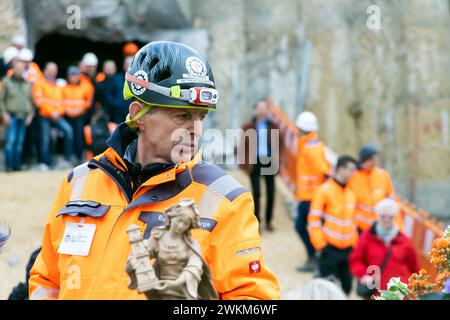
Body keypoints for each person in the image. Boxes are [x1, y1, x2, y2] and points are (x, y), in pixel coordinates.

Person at [29, 41, 280, 300]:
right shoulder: (78, 183)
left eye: (201, 117)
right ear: (139, 115)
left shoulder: (226, 201)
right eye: (182, 116)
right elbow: (47, 280)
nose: (196, 129)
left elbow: (255, 298)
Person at [126, 199, 217, 300]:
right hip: (159, 288)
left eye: (186, 224)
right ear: (172, 217)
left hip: (183, 290)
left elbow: (194, 267)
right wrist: (134, 260)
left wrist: (176, 283)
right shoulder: (158, 237)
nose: (181, 226)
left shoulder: (191, 244)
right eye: (179, 221)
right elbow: (143, 251)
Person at [307, 155, 358, 295]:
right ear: (340, 169)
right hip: (329, 249)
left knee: (347, 287)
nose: (353, 173)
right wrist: (321, 245)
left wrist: (354, 243)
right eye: (351, 170)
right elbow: (314, 219)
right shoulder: (324, 191)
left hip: (348, 249)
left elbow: (352, 220)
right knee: (327, 289)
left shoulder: (350, 192)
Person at [349, 198, 419, 295]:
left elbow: (414, 268)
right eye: (383, 216)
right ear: (377, 216)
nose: (387, 220)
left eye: (390, 217)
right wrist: (364, 276)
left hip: (399, 294)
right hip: (376, 293)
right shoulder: (366, 238)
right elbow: (355, 260)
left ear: (395, 217)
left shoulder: (404, 241)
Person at [294, 111, 331, 272]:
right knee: (307, 227)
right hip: (308, 196)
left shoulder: (312, 149)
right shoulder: (308, 144)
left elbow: (325, 171)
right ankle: (317, 257)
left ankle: (316, 258)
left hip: (312, 197)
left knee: (303, 226)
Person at [239, 100, 282, 231]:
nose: (262, 110)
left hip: (269, 161)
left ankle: (269, 221)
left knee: (271, 192)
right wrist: (243, 164)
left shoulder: (273, 126)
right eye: (260, 108)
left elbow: (279, 146)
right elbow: (242, 146)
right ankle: (257, 222)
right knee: (256, 192)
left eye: (265, 108)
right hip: (254, 162)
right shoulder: (247, 126)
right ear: (255, 109)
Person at [32, 62, 74, 169]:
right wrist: (51, 112)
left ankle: (67, 159)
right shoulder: (39, 83)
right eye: (50, 70)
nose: (52, 73)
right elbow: (39, 101)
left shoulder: (58, 85)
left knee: (68, 130)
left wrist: (58, 112)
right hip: (44, 116)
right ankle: (45, 163)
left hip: (57, 116)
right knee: (45, 138)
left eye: (54, 71)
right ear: (45, 70)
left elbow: (63, 102)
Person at [348, 144, 396, 232]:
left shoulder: (383, 175)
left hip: (379, 226)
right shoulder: (353, 177)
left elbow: (391, 199)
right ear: (364, 160)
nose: (374, 162)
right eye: (372, 160)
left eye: (375, 160)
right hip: (358, 227)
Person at [0, 56, 34, 171]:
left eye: (22, 69)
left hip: (24, 116)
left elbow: (30, 101)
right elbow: (2, 100)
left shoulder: (27, 84)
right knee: (10, 141)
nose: (20, 71)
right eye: (17, 68)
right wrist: (4, 114)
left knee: (19, 142)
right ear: (13, 69)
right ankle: (9, 166)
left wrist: (30, 115)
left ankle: (16, 166)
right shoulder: (6, 81)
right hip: (11, 116)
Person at [62, 66, 94, 163]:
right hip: (67, 116)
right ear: (68, 77)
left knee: (79, 136)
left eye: (75, 75)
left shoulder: (86, 86)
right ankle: (68, 156)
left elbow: (89, 102)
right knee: (68, 135)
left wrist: (80, 110)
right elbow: (61, 101)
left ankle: (79, 157)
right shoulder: (64, 88)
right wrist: (67, 111)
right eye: (72, 75)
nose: (74, 78)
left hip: (80, 116)